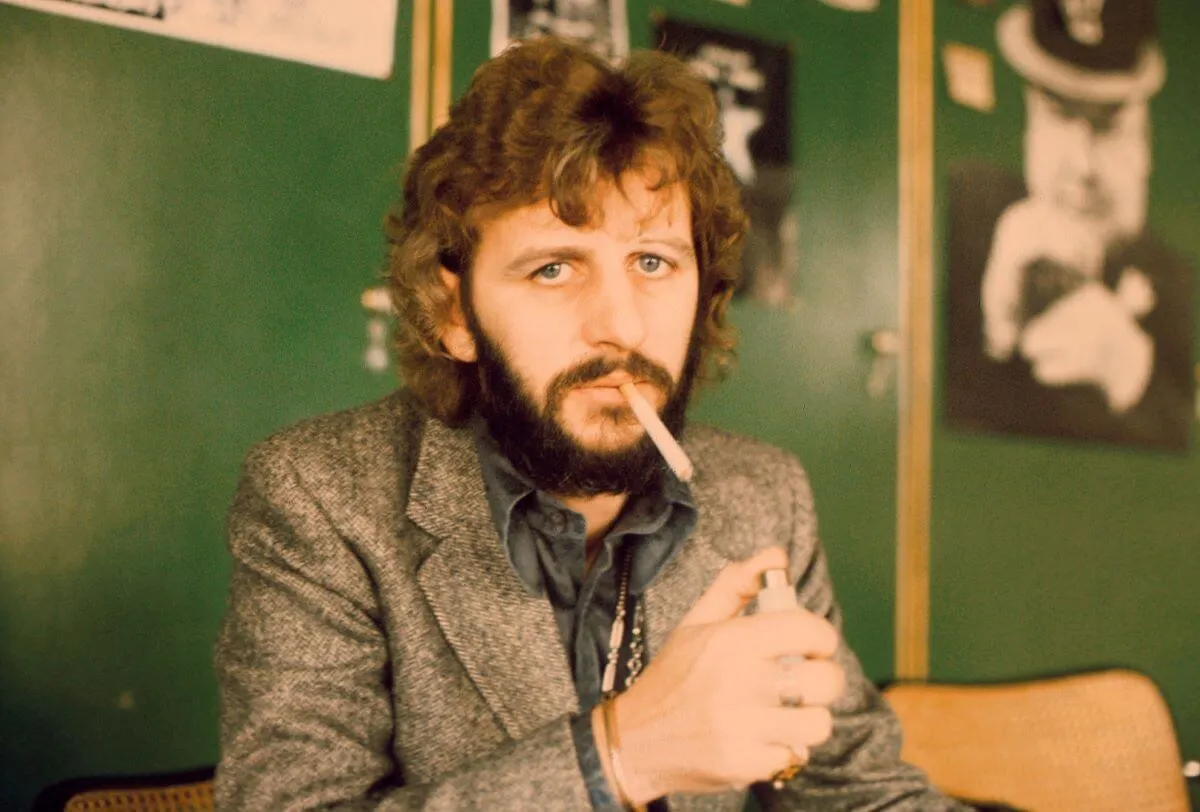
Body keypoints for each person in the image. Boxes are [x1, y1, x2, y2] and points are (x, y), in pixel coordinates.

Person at [214, 37, 965, 811]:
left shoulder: (762, 498)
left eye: (652, 263)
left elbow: (863, 792)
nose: (622, 327)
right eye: (553, 268)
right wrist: (620, 756)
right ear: (454, 312)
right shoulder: (323, 497)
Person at [945, 0, 1194, 450]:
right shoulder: (967, 222)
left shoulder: (1178, 285)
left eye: (1109, 127)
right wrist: (995, 329)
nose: (1082, 167)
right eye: (1058, 116)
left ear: (1146, 145)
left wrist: (1130, 373)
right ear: (1029, 124)